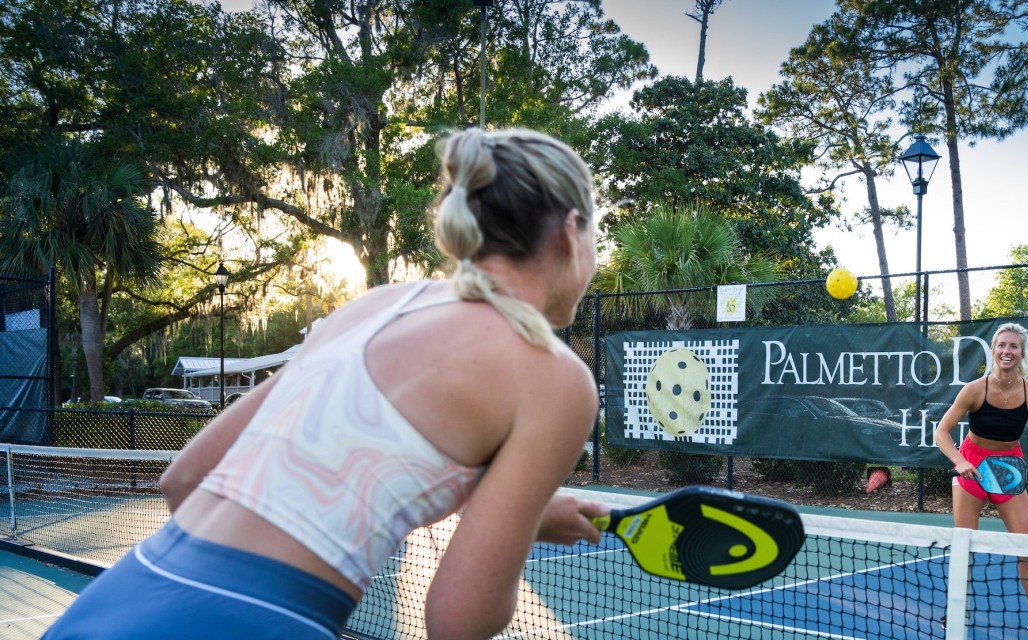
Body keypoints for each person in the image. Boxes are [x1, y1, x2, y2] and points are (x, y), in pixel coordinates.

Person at [44, 128, 608, 640]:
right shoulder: (556, 380)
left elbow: (186, 477)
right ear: (570, 229)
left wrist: (520, 513)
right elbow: (458, 620)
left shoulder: (377, 306)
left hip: (112, 603)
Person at [933, 322, 1028, 639]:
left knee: (1025, 547)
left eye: (1013, 346)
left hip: (1009, 468)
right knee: (965, 545)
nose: (1007, 350)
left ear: (1021, 353)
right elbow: (941, 433)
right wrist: (960, 461)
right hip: (972, 466)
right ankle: (956, 609)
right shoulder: (975, 389)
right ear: (993, 350)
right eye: (1001, 345)